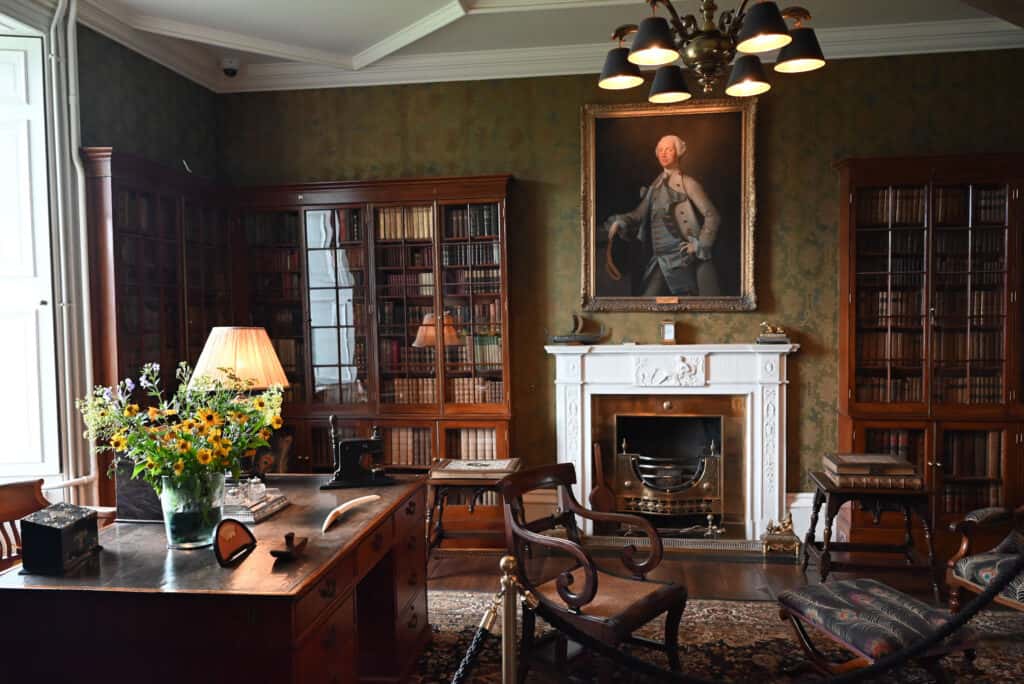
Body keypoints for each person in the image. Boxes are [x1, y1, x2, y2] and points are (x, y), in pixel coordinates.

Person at [605, 135, 721, 296]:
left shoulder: (688, 183)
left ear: (678, 152)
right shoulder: (655, 186)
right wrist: (620, 222)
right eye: (660, 150)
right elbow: (639, 214)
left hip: (684, 259)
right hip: (660, 259)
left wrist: (699, 245)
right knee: (648, 304)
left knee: (689, 305)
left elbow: (712, 216)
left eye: (669, 149)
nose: (663, 153)